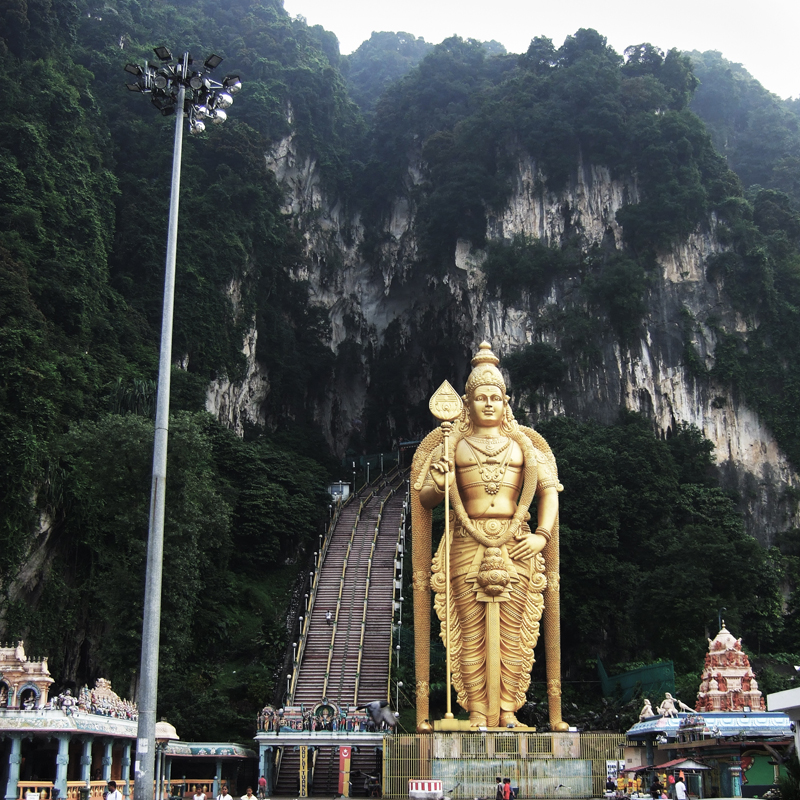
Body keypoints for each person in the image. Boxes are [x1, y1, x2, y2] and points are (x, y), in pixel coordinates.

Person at [413, 343, 564, 730]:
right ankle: (478, 710)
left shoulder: (525, 445)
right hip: (466, 540)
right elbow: (426, 499)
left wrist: (542, 536)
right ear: (467, 402)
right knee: (469, 629)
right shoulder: (452, 444)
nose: (489, 404)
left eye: (496, 397)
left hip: (517, 543)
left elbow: (549, 491)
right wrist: (439, 481)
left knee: (514, 633)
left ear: (506, 401)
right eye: (480, 397)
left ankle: (509, 710)